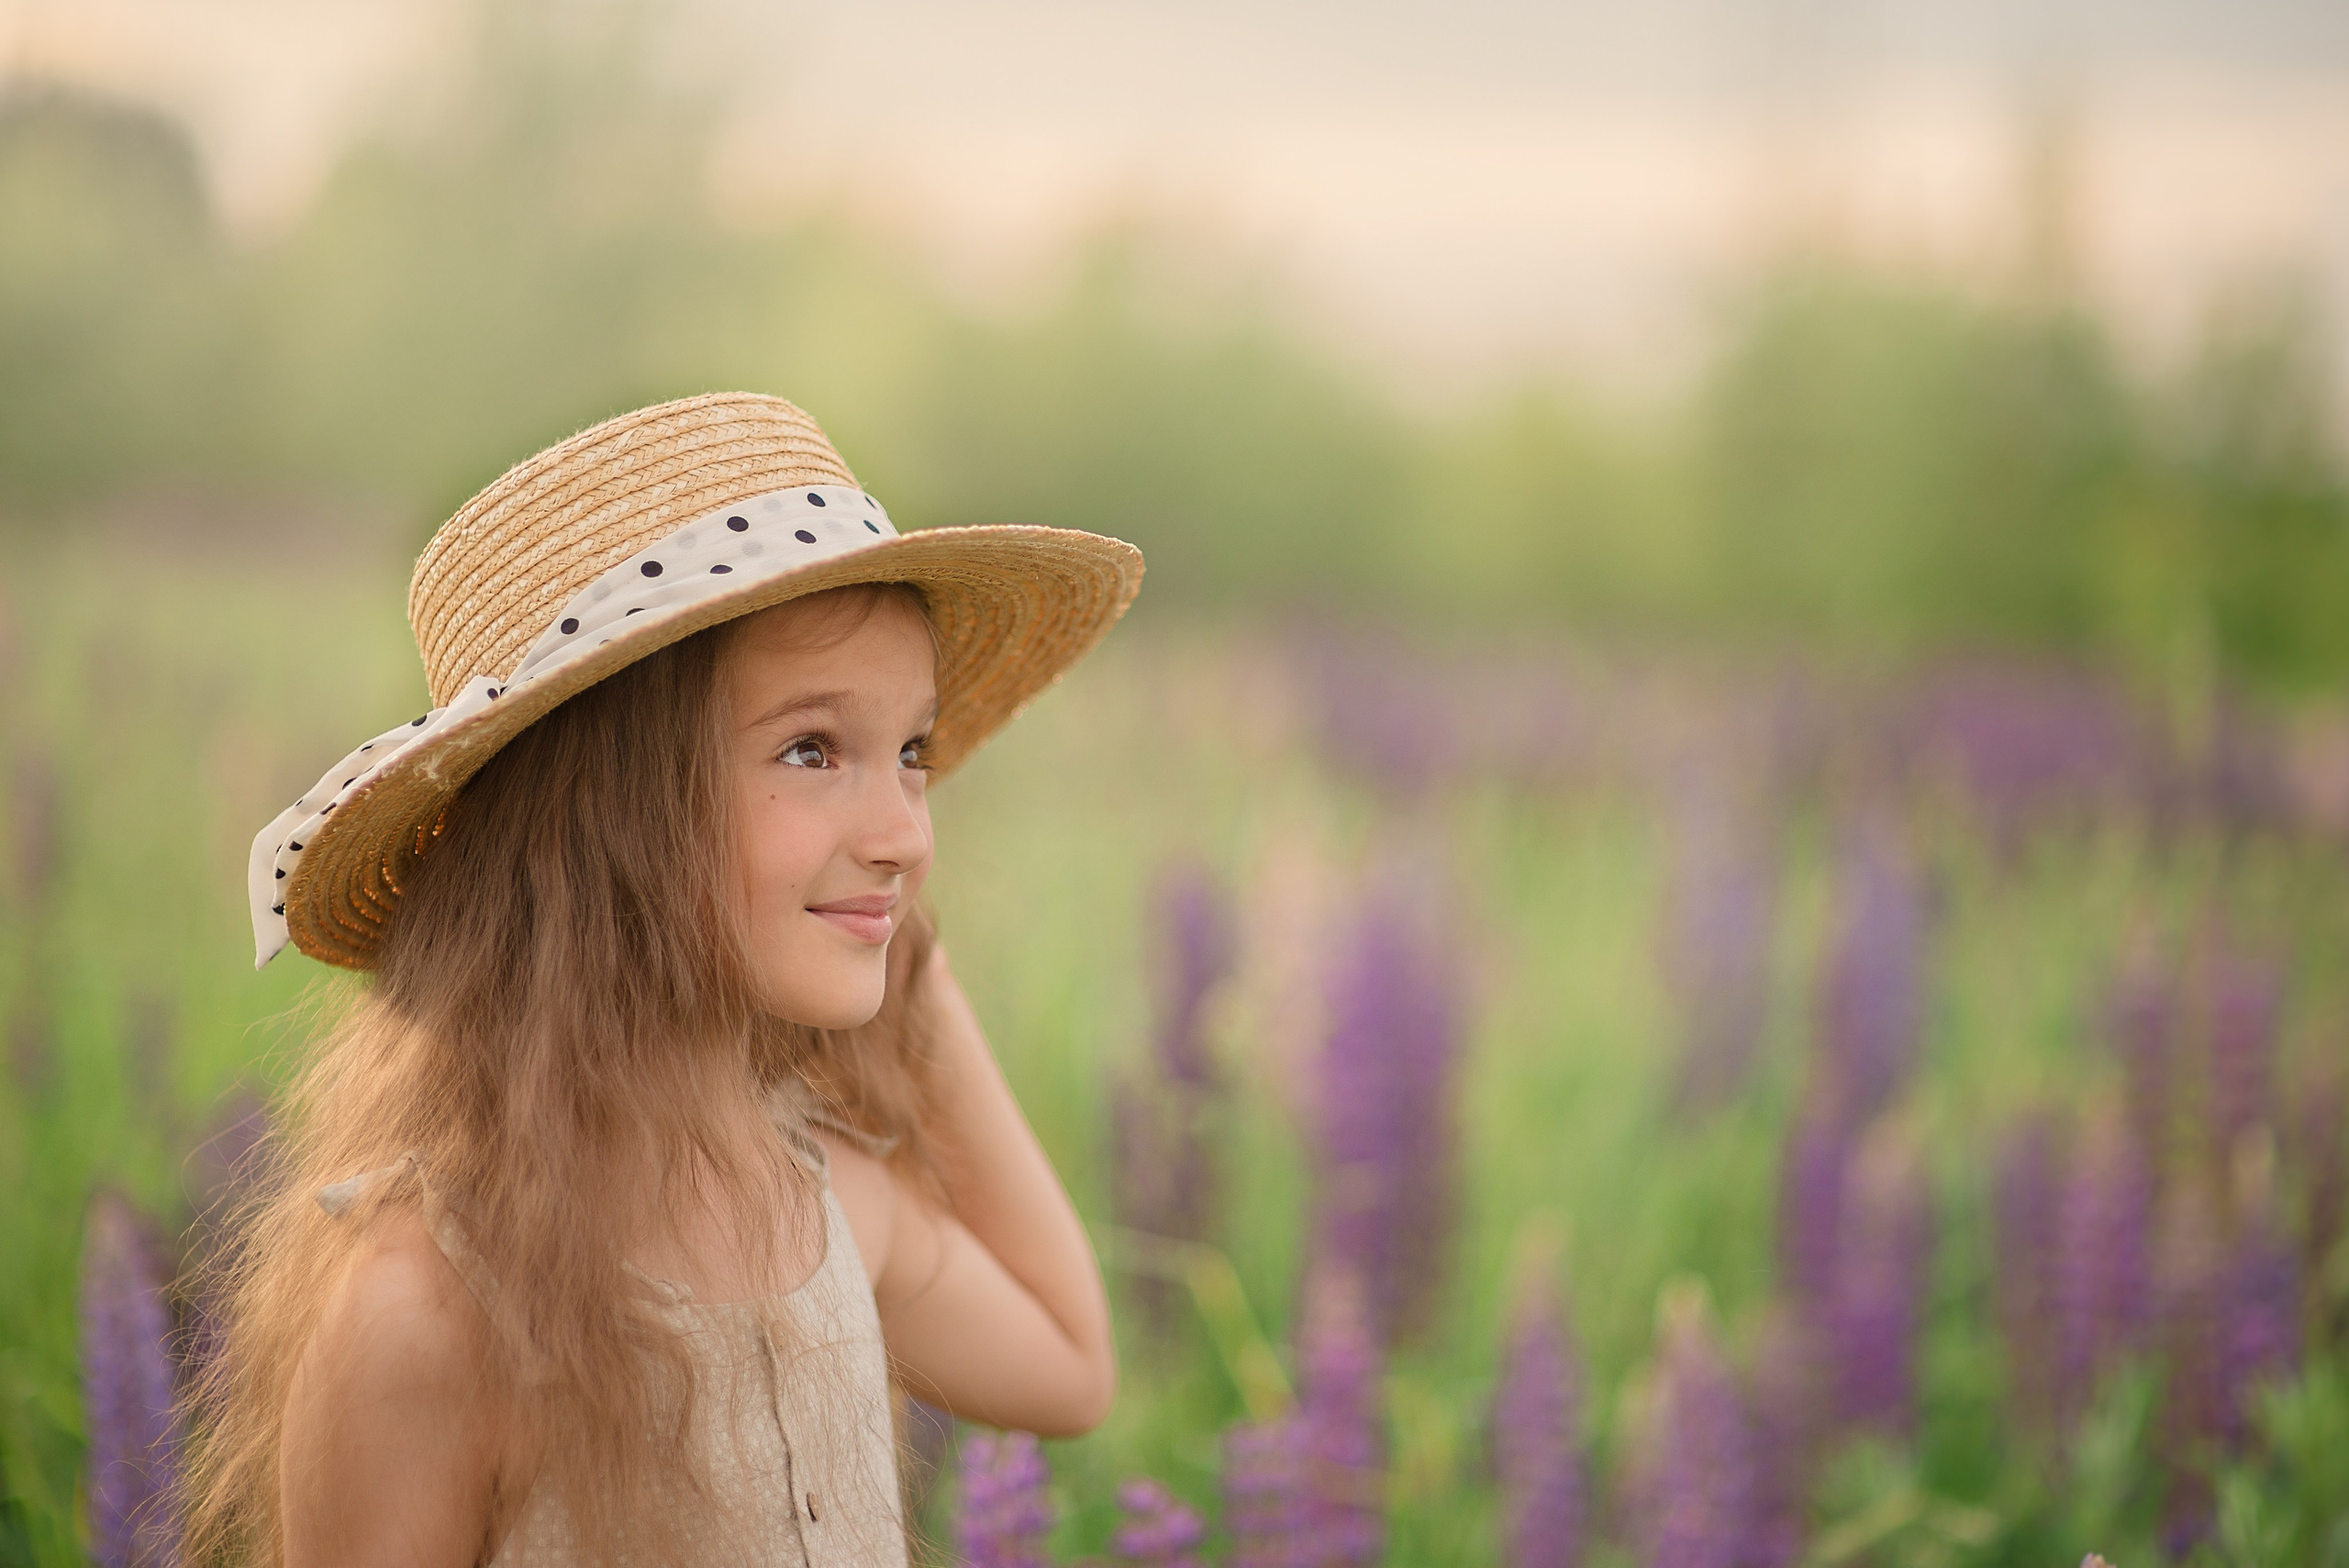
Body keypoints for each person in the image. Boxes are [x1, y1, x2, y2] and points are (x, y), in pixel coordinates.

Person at [184, 393, 1144, 1568]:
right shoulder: (432, 1303)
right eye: (811, 748)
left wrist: (917, 981)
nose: (905, 832)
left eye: (913, 754)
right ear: (601, 823)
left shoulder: (824, 1198)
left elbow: (1068, 1363)